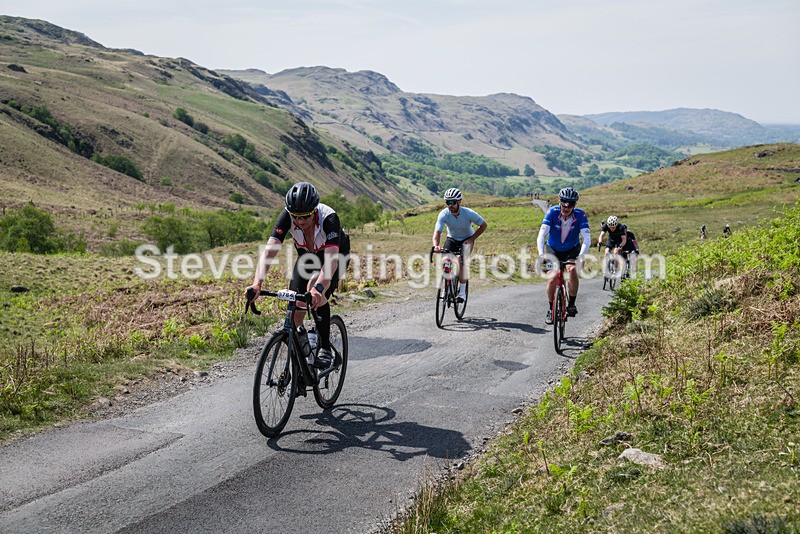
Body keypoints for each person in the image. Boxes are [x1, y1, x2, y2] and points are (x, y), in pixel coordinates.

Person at [249, 182, 350, 368]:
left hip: (335, 256)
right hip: (307, 258)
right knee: (295, 308)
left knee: (314, 292)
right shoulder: (287, 216)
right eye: (296, 216)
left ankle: (325, 348)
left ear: (314, 211)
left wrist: (319, 289)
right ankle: (305, 349)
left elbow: (330, 263)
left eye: (305, 216)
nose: (300, 221)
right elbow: (269, 252)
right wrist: (257, 283)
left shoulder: (329, 218)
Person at [537, 187, 591, 324]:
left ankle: (571, 303)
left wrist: (581, 256)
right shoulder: (552, 212)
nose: (566, 207)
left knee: (572, 269)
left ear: (574, 205)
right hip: (553, 249)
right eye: (564, 203)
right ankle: (550, 309)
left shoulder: (580, 215)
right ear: (559, 202)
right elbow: (542, 235)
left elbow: (587, 239)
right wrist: (541, 254)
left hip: (572, 249)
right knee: (552, 277)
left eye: (570, 204)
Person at [432, 188, 487, 302]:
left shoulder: (468, 213)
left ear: (459, 202)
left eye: (452, 202)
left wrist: (471, 239)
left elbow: (484, 225)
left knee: (460, 261)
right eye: (447, 202)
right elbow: (437, 232)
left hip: (467, 239)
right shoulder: (444, 214)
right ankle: (446, 288)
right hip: (452, 239)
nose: (450, 206)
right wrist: (436, 245)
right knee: (445, 260)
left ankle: (462, 293)